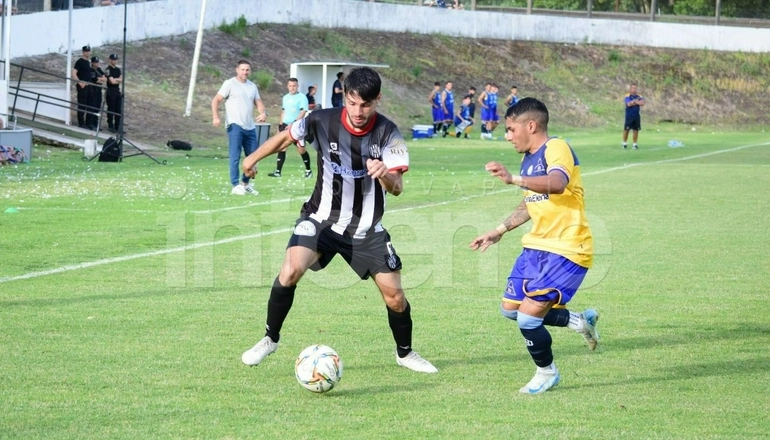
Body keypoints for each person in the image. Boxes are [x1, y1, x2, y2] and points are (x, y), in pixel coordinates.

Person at [239, 66, 438, 374]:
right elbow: (285, 137)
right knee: (290, 270)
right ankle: (269, 339)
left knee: (395, 298)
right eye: (353, 102)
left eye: (366, 104)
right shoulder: (321, 119)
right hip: (320, 219)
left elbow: (397, 188)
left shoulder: (388, 133)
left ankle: (405, 353)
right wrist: (252, 158)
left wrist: (386, 175)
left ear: (378, 100)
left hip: (366, 230)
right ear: (344, 96)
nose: (359, 111)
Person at [469, 97, 599, 395]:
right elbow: (532, 200)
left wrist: (513, 178)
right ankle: (580, 321)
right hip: (536, 248)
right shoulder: (528, 158)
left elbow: (557, 183)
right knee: (510, 310)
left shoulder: (556, 147)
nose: (508, 135)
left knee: (529, 318)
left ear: (531, 125)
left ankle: (547, 372)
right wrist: (499, 230)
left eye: (511, 129)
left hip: (567, 247)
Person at [211, 59, 267, 195]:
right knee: (235, 156)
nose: (245, 72)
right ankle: (235, 185)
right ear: (237, 70)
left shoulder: (252, 86)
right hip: (234, 125)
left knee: (254, 157)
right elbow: (216, 100)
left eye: (247, 70)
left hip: (250, 127)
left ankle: (245, 183)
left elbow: (258, 103)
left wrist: (263, 112)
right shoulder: (230, 84)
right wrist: (215, 117)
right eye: (242, 69)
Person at [267, 78, 312, 178]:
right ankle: (278, 171)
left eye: (294, 86)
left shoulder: (302, 97)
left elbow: (303, 112)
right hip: (285, 125)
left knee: (301, 148)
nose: (292, 88)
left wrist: (294, 123)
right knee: (282, 147)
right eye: (290, 86)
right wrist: (280, 126)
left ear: (297, 86)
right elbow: (284, 112)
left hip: (297, 125)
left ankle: (308, 170)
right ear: (288, 86)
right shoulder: (285, 98)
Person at [72, 45, 92, 129]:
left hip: (88, 85)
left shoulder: (88, 62)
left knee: (88, 104)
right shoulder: (80, 61)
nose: (87, 53)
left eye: (88, 51)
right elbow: (74, 73)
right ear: (83, 52)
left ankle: (87, 122)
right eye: (86, 51)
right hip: (82, 86)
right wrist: (79, 82)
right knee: (82, 104)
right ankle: (81, 122)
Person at [86, 56, 106, 131]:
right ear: (92, 63)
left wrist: (101, 79)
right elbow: (95, 80)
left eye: (97, 62)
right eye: (95, 62)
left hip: (98, 89)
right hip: (92, 90)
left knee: (97, 106)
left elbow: (104, 78)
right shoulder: (91, 70)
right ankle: (90, 123)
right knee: (91, 107)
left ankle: (95, 123)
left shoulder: (99, 69)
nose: (97, 64)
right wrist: (100, 79)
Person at [622, 83, 645, 149]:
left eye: (635, 88)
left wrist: (634, 102)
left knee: (636, 130)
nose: (634, 89)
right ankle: (624, 143)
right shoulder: (627, 96)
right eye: (633, 88)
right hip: (629, 116)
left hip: (636, 116)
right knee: (626, 130)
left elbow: (642, 103)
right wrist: (636, 102)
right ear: (630, 89)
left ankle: (634, 144)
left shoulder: (639, 96)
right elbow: (628, 104)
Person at [104, 54, 122, 133]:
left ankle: (117, 126)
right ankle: (110, 125)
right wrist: (117, 80)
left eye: (115, 59)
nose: (114, 61)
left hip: (117, 90)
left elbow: (121, 79)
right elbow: (112, 81)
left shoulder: (118, 70)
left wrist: (116, 79)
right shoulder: (108, 70)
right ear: (110, 60)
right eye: (113, 59)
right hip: (110, 90)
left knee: (118, 109)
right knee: (111, 108)